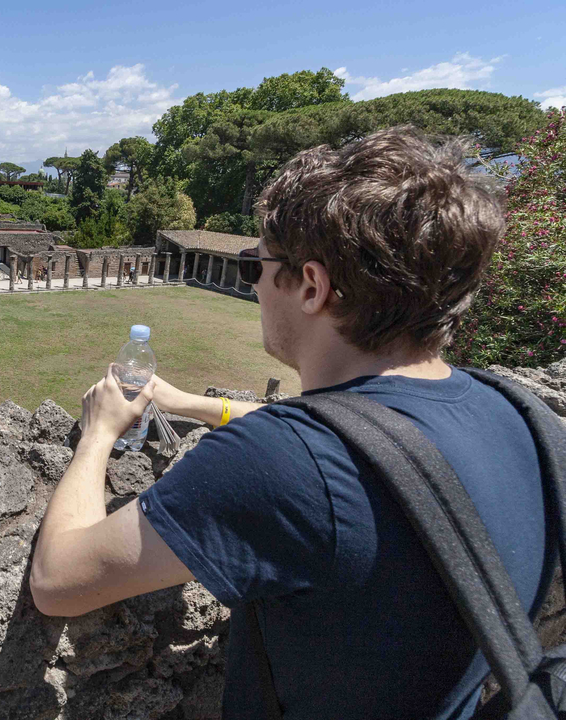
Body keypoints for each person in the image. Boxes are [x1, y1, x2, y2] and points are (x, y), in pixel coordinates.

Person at [29, 127, 549, 720]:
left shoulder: (277, 463)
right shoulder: (520, 416)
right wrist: (192, 403)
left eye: (255, 265)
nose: (250, 283)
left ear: (311, 286)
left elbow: (58, 580)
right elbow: (362, 436)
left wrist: (98, 434)